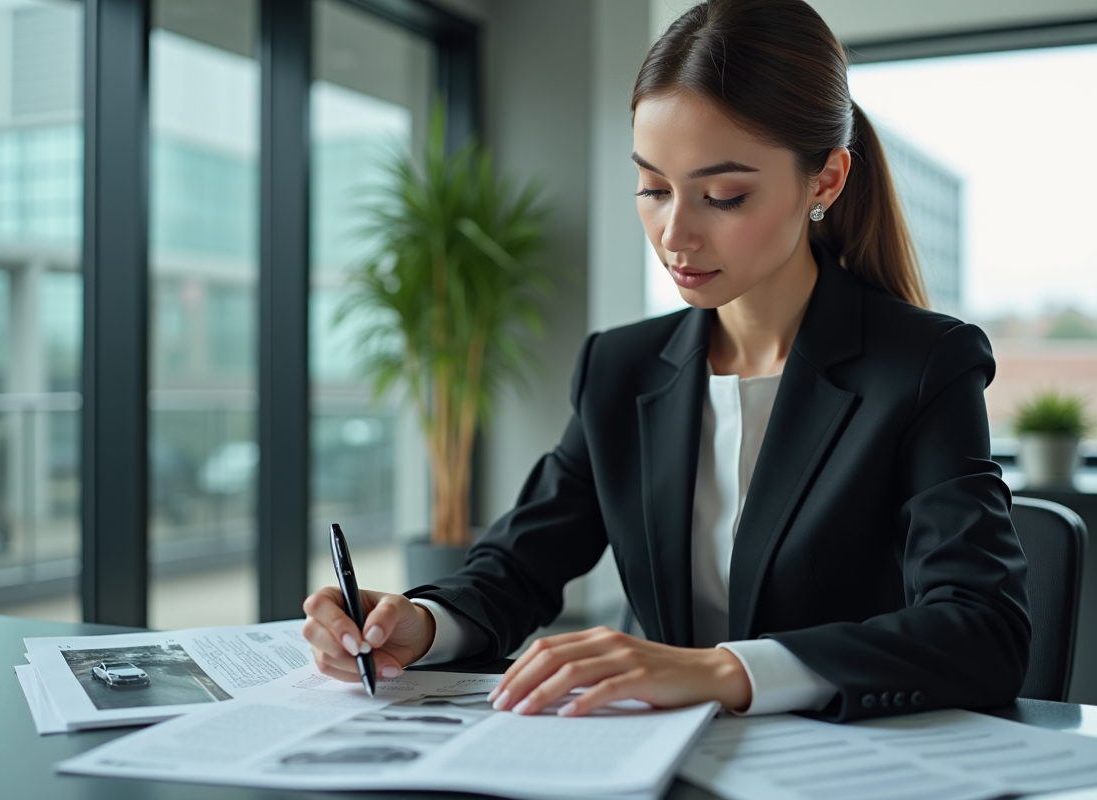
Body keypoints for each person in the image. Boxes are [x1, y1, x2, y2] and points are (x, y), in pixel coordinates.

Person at [302, 0, 1030, 722]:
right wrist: (421, 623)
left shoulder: (924, 365)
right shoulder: (621, 368)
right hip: (660, 760)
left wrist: (724, 670)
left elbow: (983, 630)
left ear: (826, 181)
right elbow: (519, 565)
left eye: (723, 196)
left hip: (848, 759)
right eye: (652, 188)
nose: (675, 234)